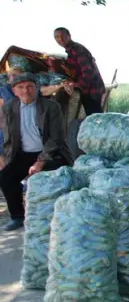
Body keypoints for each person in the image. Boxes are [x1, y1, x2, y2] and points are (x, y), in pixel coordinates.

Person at [0, 73, 72, 231]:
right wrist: (7, 158)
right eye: (21, 87)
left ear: (36, 88)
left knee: (55, 178)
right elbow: (8, 137)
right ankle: (18, 217)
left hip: (51, 152)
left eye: (30, 86)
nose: (26, 91)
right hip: (24, 153)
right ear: (14, 91)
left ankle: (56, 216)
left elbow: (56, 139)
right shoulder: (9, 107)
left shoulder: (50, 107)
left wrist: (40, 161)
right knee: (6, 177)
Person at [53, 27, 106, 116]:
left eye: (63, 36)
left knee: (95, 119)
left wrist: (76, 84)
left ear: (69, 36)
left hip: (92, 90)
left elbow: (88, 71)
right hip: (90, 89)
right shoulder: (71, 51)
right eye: (57, 37)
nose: (60, 39)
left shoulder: (76, 49)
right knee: (95, 117)